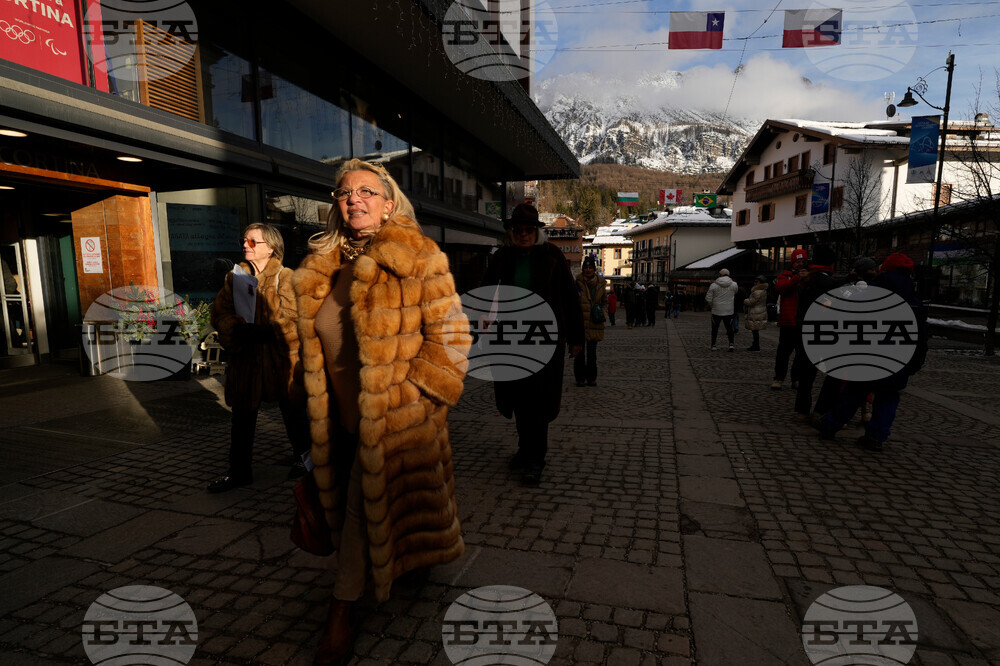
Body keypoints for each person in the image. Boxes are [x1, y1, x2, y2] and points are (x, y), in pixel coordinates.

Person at [292, 159, 472, 664]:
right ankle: (411, 558)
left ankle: (342, 611)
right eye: (344, 192)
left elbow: (453, 340)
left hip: (395, 416)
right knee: (390, 504)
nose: (354, 199)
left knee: (356, 510)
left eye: (367, 191)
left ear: (389, 203)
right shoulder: (320, 267)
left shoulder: (419, 257)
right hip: (337, 418)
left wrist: (412, 399)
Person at [481, 203, 584, 486]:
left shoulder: (552, 256)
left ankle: (536, 459)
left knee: (538, 402)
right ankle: (524, 449)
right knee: (518, 399)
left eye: (528, 230)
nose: (523, 234)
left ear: (536, 232)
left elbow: (570, 298)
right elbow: (484, 290)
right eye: (517, 230)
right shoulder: (503, 257)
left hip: (543, 339)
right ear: (511, 232)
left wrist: (577, 338)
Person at [207, 223, 308, 493]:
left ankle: (307, 462)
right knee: (241, 419)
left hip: (281, 361)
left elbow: (298, 319)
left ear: (271, 248)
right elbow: (219, 314)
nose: (245, 245)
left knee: (295, 415)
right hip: (246, 361)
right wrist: (235, 327)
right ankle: (238, 472)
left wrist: (269, 331)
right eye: (244, 240)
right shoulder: (235, 277)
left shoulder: (287, 277)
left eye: (253, 242)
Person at [817, 253, 928, 451]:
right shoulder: (914, 301)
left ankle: (830, 426)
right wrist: (915, 363)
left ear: (884, 269)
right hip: (899, 358)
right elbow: (921, 337)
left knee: (853, 394)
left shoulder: (871, 294)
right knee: (888, 398)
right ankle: (876, 437)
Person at [794, 244, 838, 422]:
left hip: (805, 329)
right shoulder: (829, 283)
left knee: (806, 374)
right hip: (826, 332)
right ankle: (822, 409)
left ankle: (802, 411)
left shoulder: (805, 280)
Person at [772, 249, 808, 390]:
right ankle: (779, 378)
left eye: (802, 261)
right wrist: (797, 278)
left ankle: (796, 379)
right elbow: (781, 288)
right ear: (793, 262)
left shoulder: (810, 277)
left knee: (800, 354)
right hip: (788, 320)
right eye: (798, 261)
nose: (800, 264)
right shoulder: (784, 276)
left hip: (803, 320)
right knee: (783, 353)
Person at [575, 256, 606, 387]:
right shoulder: (577, 283)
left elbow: (605, 302)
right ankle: (580, 378)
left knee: (592, 354)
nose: (588, 270)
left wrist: (602, 313)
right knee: (579, 353)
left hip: (595, 322)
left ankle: (592, 378)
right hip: (580, 322)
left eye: (590, 267)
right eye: (586, 268)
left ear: (594, 269)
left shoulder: (601, 284)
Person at [705, 268, 738, 351]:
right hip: (729, 310)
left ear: (720, 275)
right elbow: (735, 292)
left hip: (716, 310)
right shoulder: (734, 285)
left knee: (715, 328)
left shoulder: (714, 285)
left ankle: (713, 345)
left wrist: (713, 305)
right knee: (729, 328)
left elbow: (708, 298)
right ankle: (731, 344)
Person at [744, 275, 769, 351]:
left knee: (755, 330)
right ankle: (755, 344)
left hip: (755, 312)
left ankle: (756, 345)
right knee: (755, 330)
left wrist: (745, 301)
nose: (754, 283)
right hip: (761, 311)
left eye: (756, 281)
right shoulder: (764, 290)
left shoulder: (757, 292)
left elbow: (752, 302)